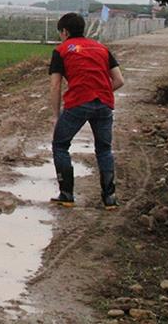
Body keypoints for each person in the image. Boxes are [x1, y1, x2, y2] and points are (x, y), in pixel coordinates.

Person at [49, 12, 125, 209]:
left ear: (65, 31)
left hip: (78, 102)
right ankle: (110, 199)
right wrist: (101, 91)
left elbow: (55, 86)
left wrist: (56, 116)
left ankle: (66, 194)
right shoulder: (101, 48)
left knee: (60, 145)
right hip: (104, 103)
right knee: (104, 149)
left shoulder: (61, 50)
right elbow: (119, 80)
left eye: (60, 32)